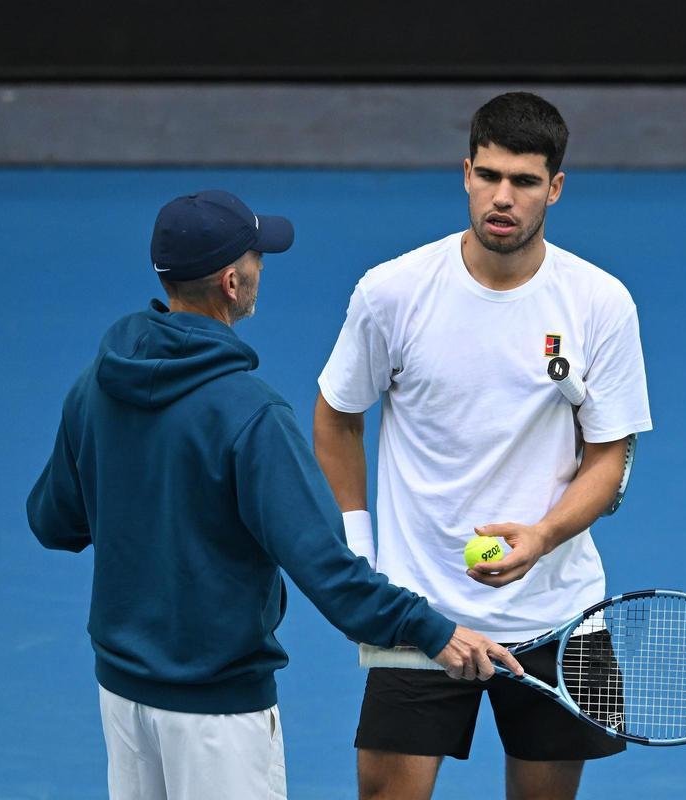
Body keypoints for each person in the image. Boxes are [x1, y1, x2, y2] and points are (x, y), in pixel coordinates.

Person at [26, 189, 521, 800]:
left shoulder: (94, 387)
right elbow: (328, 570)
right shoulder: (252, 415)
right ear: (232, 283)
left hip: (123, 698)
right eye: (257, 257)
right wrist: (431, 630)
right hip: (218, 711)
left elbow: (53, 522)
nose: (263, 266)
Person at [313, 93, 653, 799]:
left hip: (558, 612)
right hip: (419, 606)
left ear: (554, 189)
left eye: (525, 182)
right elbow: (337, 413)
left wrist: (540, 536)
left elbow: (608, 458)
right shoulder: (393, 292)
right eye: (489, 175)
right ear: (466, 172)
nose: (504, 197)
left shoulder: (601, 303)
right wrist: (358, 544)